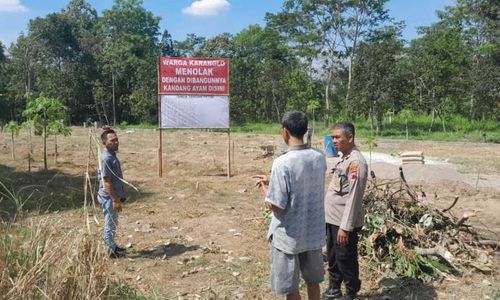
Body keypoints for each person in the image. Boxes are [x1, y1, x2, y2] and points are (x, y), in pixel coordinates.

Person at [254, 111, 327, 300]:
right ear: (304, 130)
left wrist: (265, 190)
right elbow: (304, 182)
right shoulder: (319, 157)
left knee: (290, 286)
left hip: (289, 237)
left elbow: (277, 206)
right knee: (313, 281)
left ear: (284, 132)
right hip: (312, 232)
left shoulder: (282, 163)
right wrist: (273, 181)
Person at [322, 122, 368, 300]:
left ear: (350, 138)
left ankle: (351, 292)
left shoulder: (356, 162)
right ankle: (334, 289)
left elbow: (354, 198)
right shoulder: (345, 158)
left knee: (345, 259)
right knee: (333, 256)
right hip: (333, 219)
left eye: (338, 137)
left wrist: (345, 227)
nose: (334, 141)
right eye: (332, 137)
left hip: (343, 222)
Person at [97, 128, 127, 258]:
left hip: (113, 196)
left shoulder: (112, 155)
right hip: (109, 197)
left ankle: (112, 246)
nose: (116, 142)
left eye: (117, 140)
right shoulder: (106, 158)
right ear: (104, 142)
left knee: (113, 222)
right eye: (112, 140)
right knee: (110, 223)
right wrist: (115, 200)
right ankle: (109, 251)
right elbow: (106, 182)